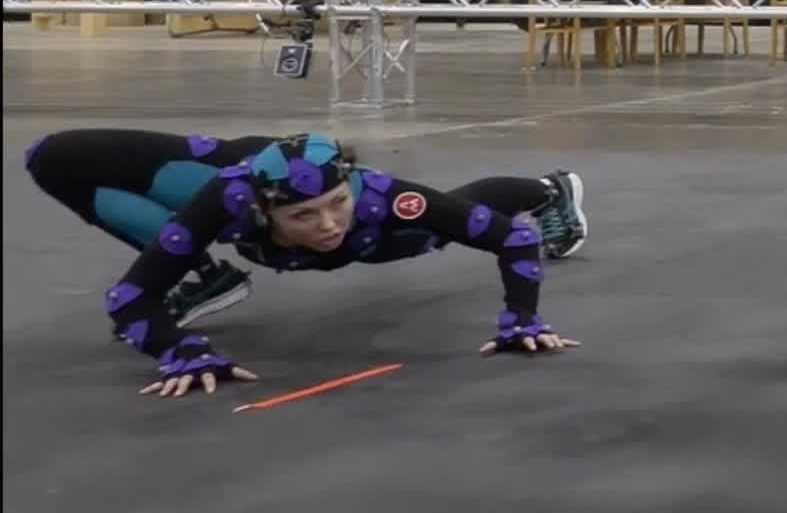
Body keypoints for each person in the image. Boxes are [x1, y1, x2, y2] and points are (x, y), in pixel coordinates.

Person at [24, 129, 589, 398]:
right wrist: (181, 353)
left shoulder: (384, 199)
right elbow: (129, 298)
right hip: (252, 174)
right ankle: (205, 278)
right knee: (51, 157)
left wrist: (522, 322)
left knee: (450, 216)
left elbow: (511, 239)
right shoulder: (226, 200)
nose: (326, 225)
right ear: (262, 211)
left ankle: (548, 189)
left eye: (336, 205)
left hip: (379, 239)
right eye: (304, 216)